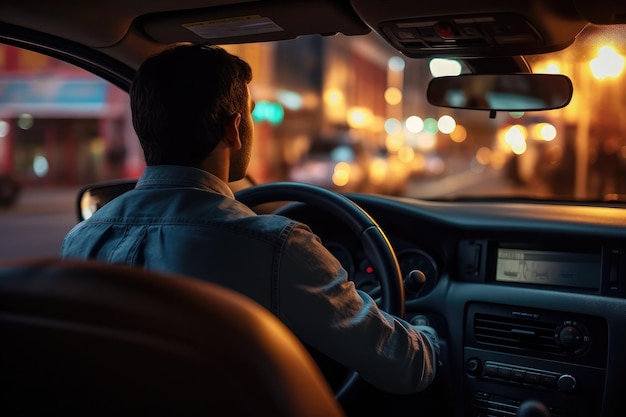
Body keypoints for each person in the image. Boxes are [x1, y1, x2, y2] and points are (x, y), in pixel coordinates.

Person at [61, 44, 439, 395]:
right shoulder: (276, 246)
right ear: (233, 127)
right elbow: (406, 367)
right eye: (252, 116)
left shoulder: (80, 239)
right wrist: (427, 332)